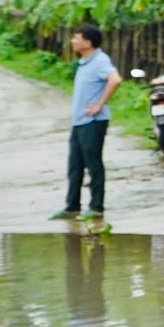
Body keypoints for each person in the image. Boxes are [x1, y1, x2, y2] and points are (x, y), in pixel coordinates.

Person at [51, 24, 120, 223]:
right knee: (75, 165)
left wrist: (99, 105)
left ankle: (96, 207)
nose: (72, 41)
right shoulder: (84, 62)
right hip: (80, 122)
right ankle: (72, 206)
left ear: (88, 42)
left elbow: (115, 80)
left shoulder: (100, 60)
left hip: (93, 121)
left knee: (93, 163)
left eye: (76, 38)